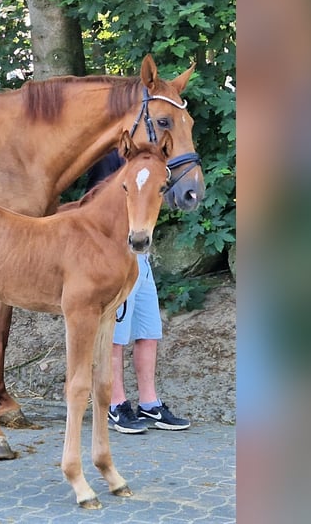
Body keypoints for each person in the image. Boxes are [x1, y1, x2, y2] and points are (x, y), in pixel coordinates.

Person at [86, 149, 191, 434]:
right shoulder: (110, 155)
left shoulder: (154, 157)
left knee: (149, 332)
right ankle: (115, 404)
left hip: (141, 256)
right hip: (117, 253)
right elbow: (93, 199)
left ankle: (150, 403)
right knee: (116, 336)